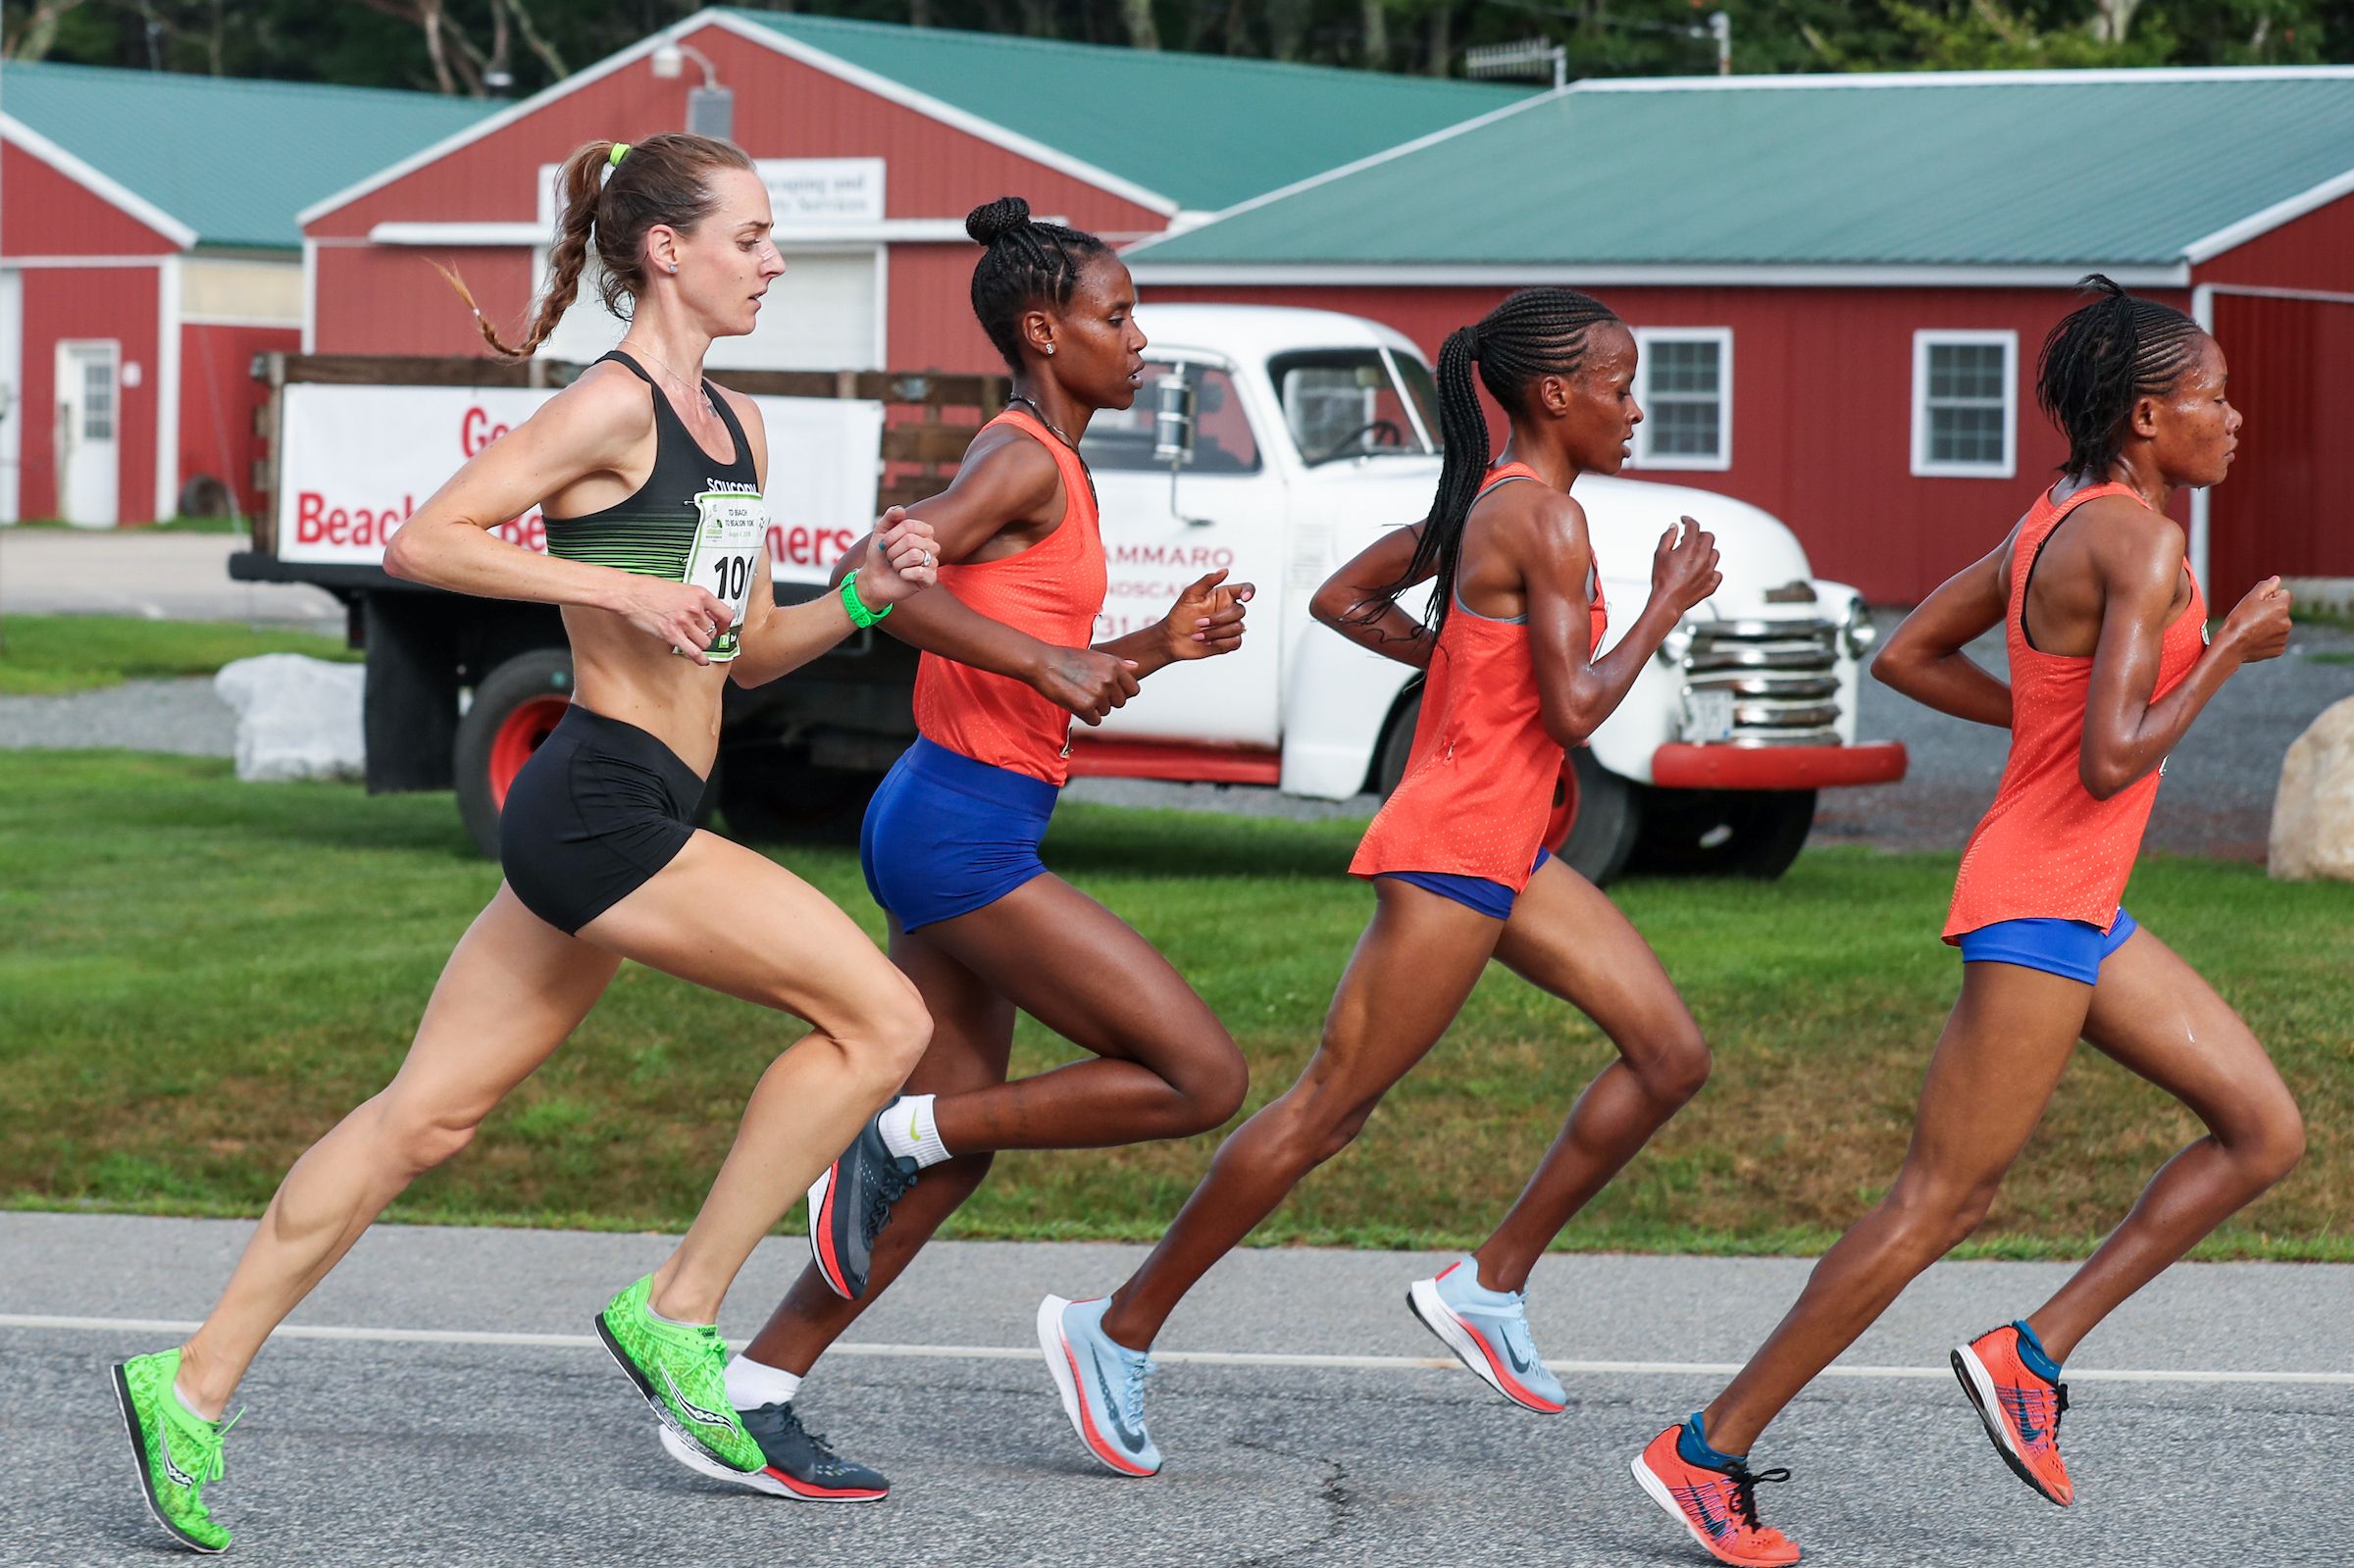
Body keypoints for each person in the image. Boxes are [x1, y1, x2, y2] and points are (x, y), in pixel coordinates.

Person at [109, 132, 941, 1552]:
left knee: (424, 1114)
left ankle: (185, 1383)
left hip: (641, 803)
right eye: (750, 236)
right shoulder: (608, 408)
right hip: (598, 800)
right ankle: (678, 1309)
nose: (776, 261)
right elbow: (430, 539)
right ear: (665, 249)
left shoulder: (737, 429)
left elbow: (738, 656)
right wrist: (603, 586)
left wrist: (861, 596)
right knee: (881, 1015)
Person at [1631, 276, 2302, 1568]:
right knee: (1940, 1197)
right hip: (2042, 900)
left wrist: (2051, 728)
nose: (2236, 417)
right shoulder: (2144, 545)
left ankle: (2030, 1354)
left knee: (2263, 1127)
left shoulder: (2057, 517)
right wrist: (2230, 655)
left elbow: (1908, 656)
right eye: (2215, 398)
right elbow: (2110, 760)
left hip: (2077, 901)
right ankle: (1706, 1448)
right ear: (2152, 415)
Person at [1030, 285, 1723, 1478]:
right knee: (1327, 1111)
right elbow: (1578, 707)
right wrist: (1666, 601)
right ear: (1556, 395)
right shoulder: (1538, 520)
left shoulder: (1504, 506)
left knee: (1671, 1055)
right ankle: (1114, 1327)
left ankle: (1489, 1285)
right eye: (1620, 387)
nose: (1636, 409)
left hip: (1510, 844)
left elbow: (1347, 599)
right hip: (1458, 846)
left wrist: (1456, 665)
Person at [649, 195, 1253, 1504]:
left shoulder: (1054, 463)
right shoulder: (1021, 456)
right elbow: (893, 574)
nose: (1140, 338)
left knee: (955, 1139)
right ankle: (891, 1135)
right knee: (1199, 1071)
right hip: (958, 833)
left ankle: (755, 1387)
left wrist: (1154, 643)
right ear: (1045, 330)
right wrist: (1049, 654)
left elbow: (1042, 664)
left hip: (960, 808)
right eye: (1118, 314)